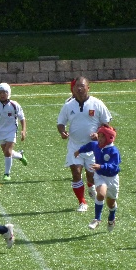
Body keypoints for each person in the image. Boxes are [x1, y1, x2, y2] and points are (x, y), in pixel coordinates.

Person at [57, 76, 112, 211]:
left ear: (88, 88)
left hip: (93, 147)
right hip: (75, 145)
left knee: (91, 176)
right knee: (76, 173)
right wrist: (62, 132)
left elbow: (106, 124)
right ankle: (82, 202)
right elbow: (61, 122)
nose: (79, 89)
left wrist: (99, 134)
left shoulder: (97, 104)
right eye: (77, 86)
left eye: (82, 86)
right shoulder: (68, 105)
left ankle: (90, 185)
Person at [73, 124, 121, 232]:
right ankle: (97, 219)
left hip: (112, 178)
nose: (99, 138)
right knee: (101, 194)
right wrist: (79, 151)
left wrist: (101, 166)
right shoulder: (96, 145)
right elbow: (89, 146)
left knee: (111, 203)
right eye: (99, 136)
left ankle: (111, 217)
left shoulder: (113, 151)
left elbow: (114, 166)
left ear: (109, 138)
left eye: (102, 136)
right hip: (100, 175)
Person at [0, 83, 28, 181]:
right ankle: (20, 155)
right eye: (0, 93)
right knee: (7, 153)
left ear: (8, 93)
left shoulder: (14, 105)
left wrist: (23, 130)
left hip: (11, 131)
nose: (2, 95)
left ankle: (7, 174)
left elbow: (22, 118)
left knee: (7, 152)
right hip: (0, 131)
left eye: (4, 92)